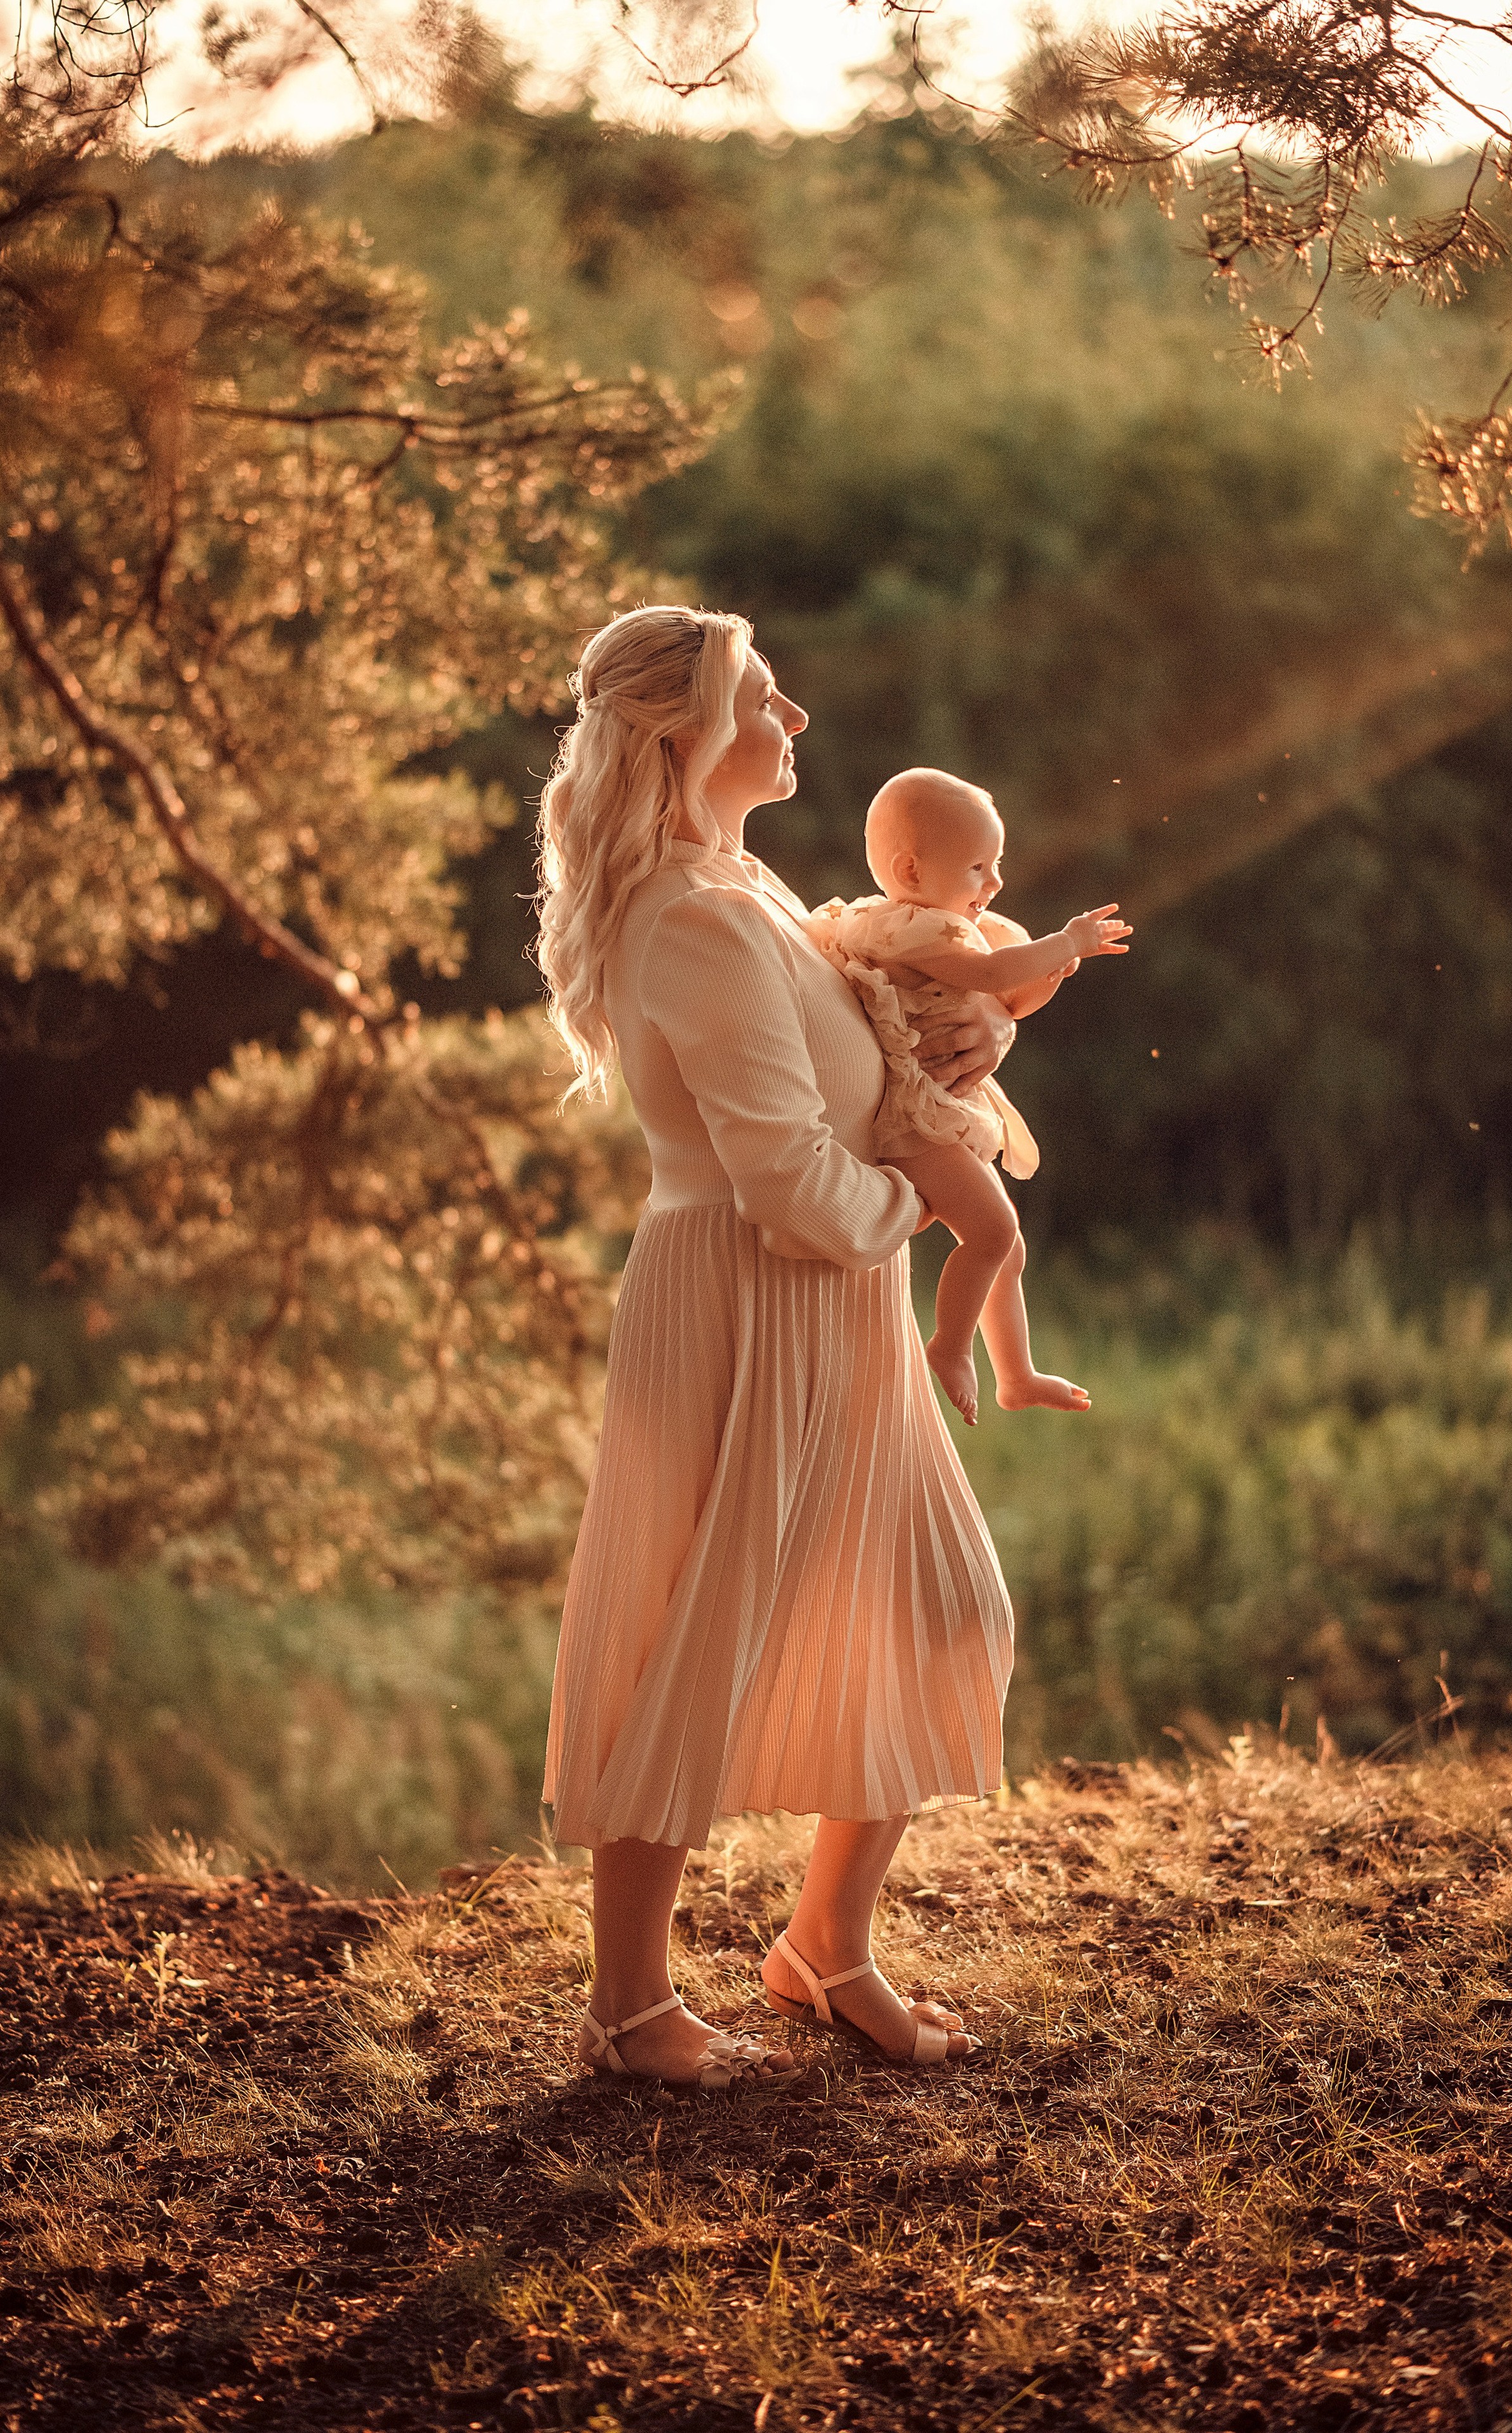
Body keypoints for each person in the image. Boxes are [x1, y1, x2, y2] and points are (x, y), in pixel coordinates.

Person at [537, 608, 1017, 2088]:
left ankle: (823, 1946)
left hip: (838, 1298)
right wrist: (917, 1206)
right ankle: (630, 2003)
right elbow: (785, 1178)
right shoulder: (688, 920)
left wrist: (952, 1057)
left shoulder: (746, 890)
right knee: (694, 1624)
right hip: (747, 1294)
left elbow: (855, 1065)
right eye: (762, 694)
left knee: (945, 1611)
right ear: (684, 734)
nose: (795, 715)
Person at [808, 768, 1130, 1427]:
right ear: (912, 871)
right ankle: (950, 1347)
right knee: (993, 1230)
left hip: (941, 1109)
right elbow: (987, 976)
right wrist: (1063, 942)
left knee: (1004, 1247)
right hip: (914, 1119)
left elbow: (1009, 999)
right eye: (979, 867)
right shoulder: (908, 929)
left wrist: (1054, 970)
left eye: (998, 865)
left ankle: (1015, 1375)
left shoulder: (938, 923)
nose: (995, 884)